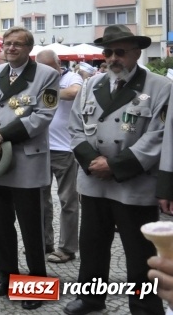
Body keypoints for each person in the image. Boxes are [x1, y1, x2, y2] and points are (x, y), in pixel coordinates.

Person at [65, 25, 168, 315]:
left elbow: (160, 135)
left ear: (137, 52)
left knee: (139, 253)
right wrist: (91, 161)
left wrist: (115, 165)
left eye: (120, 52)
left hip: (134, 184)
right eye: (108, 52)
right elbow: (74, 128)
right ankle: (90, 299)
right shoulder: (90, 85)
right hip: (94, 182)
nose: (113, 58)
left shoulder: (160, 87)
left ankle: (145, 306)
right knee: (93, 245)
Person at [0, 27, 59, 311]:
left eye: (17, 44)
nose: (11, 48)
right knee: (0, 225)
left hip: (25, 158)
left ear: (29, 48)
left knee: (31, 228)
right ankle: (6, 277)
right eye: (7, 44)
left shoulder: (47, 76)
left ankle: (37, 285)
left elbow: (43, 116)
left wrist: (3, 135)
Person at [34, 49, 82, 265]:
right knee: (41, 200)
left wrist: (46, 91)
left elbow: (74, 93)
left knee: (68, 200)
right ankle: (45, 242)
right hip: (41, 148)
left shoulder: (71, 77)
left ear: (58, 64)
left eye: (48, 67)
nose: (44, 72)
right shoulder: (38, 79)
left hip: (65, 149)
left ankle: (68, 248)